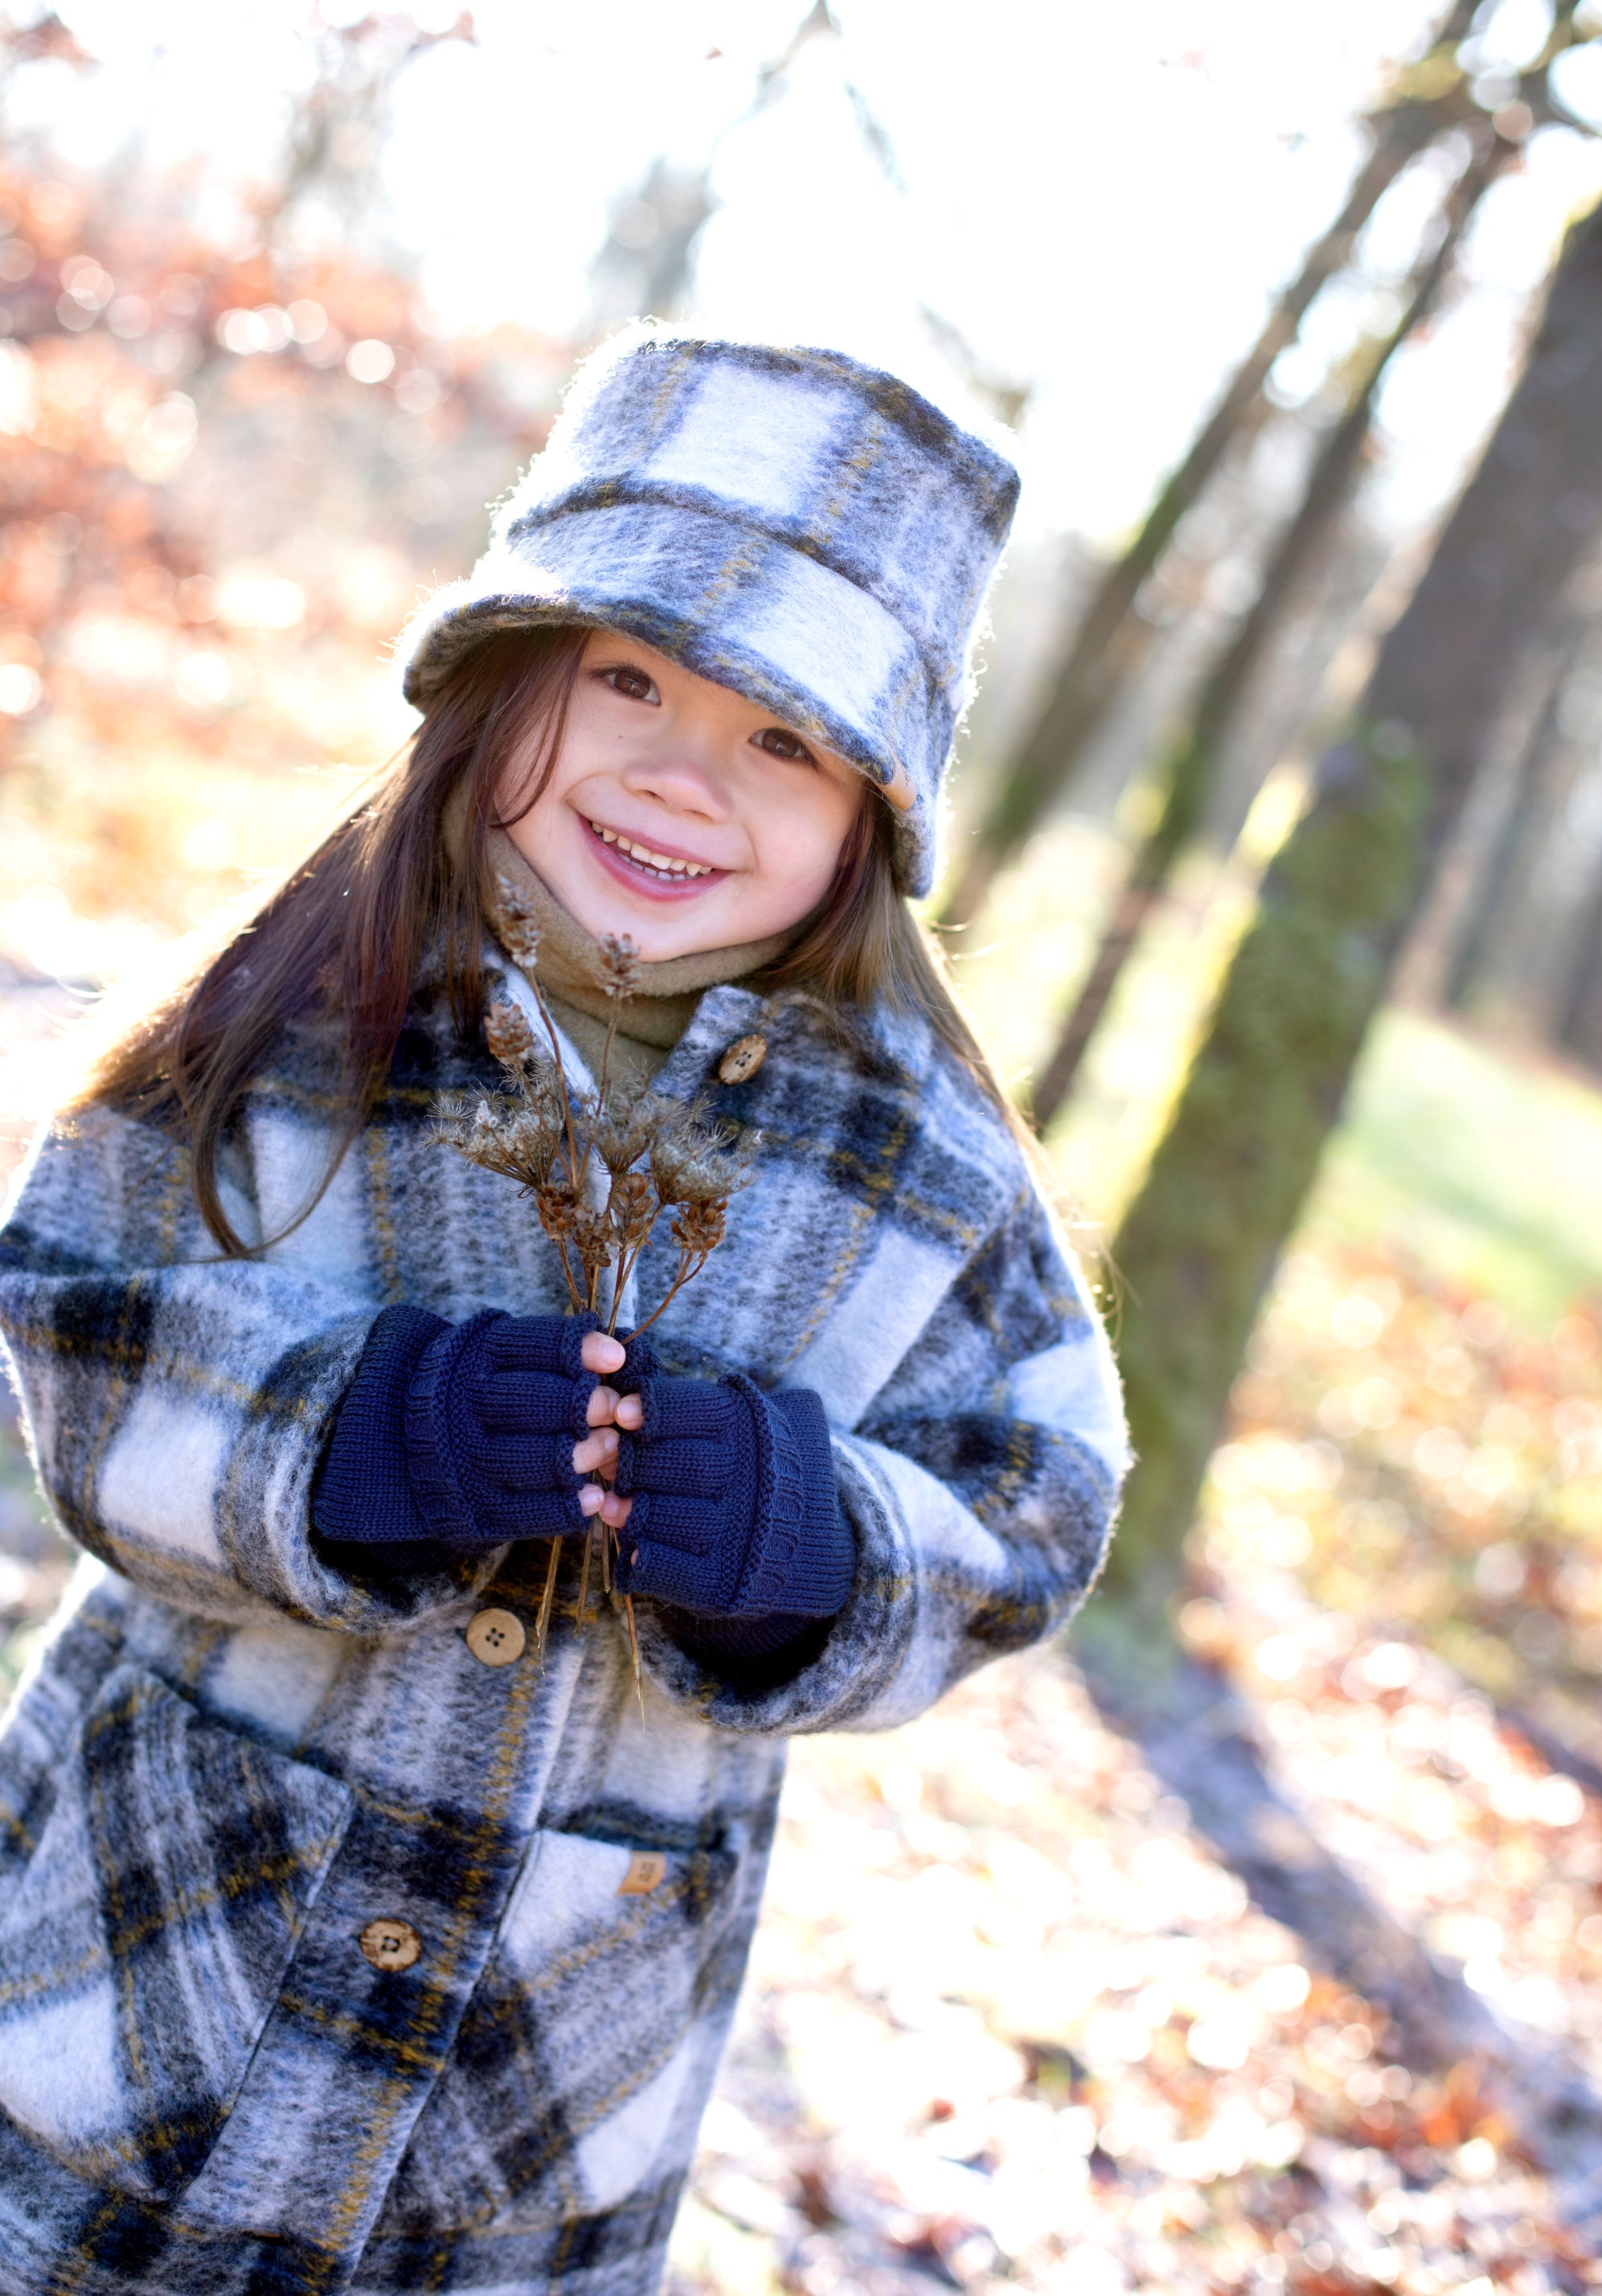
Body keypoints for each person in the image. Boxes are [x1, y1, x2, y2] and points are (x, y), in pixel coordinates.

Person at [0, 330, 1128, 2294]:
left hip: (540, 2084)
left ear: (872, 809)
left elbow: (1034, 1492)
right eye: (631, 679)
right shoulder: (307, 1010)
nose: (685, 773)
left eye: (786, 741)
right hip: (146, 1962)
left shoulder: (919, 1155)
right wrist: (347, 1442)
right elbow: (84, 1312)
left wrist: (811, 1552)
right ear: (507, 670)